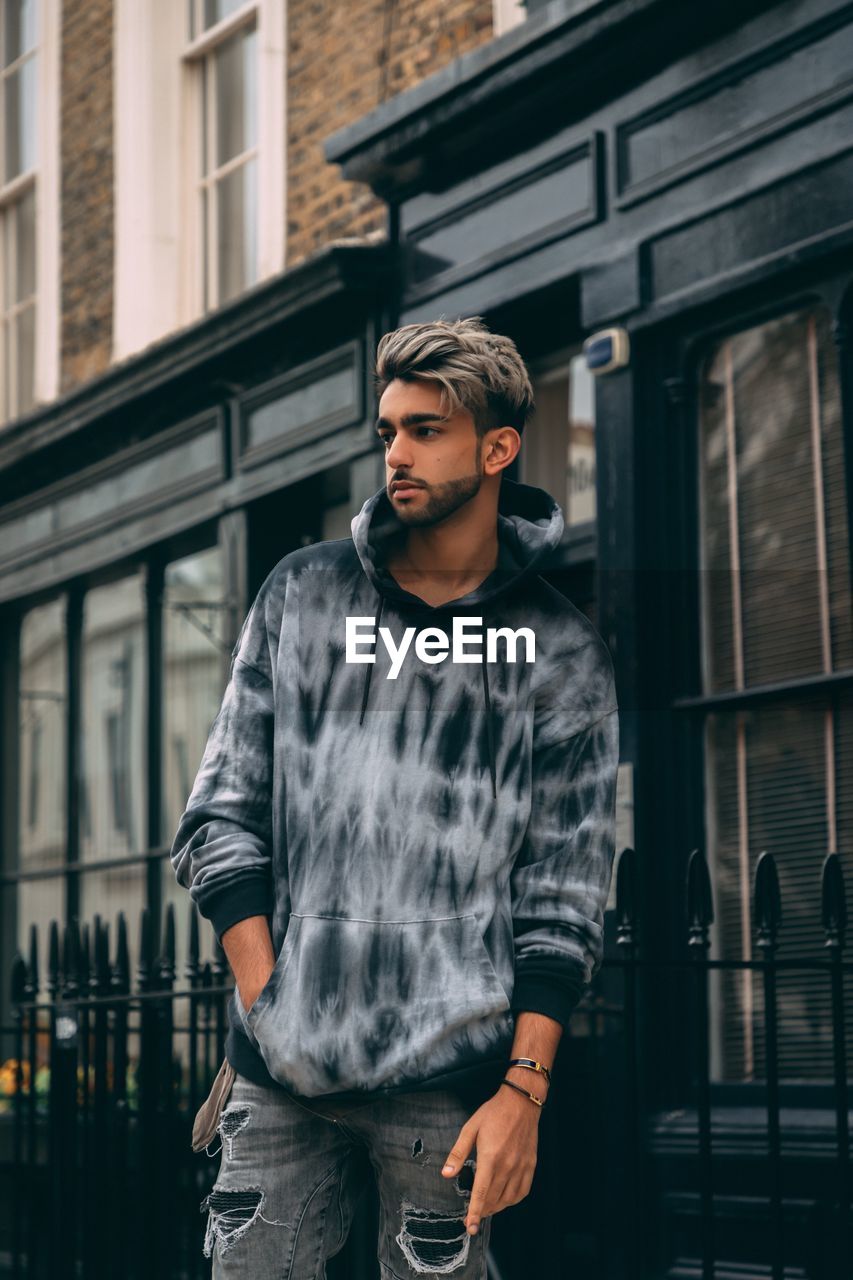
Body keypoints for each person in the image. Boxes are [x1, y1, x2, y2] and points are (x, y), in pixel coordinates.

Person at [171, 316, 620, 1278]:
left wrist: (522, 1094)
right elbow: (220, 816)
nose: (397, 455)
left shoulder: (559, 650)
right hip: (280, 1079)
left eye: (426, 430)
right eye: (388, 432)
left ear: (497, 448)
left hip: (449, 1092)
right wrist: (271, 996)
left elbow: (566, 895)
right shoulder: (302, 596)